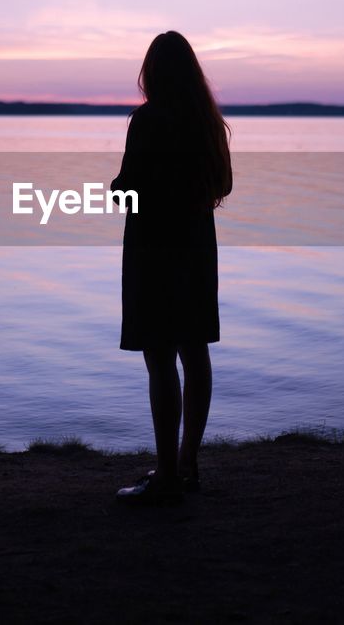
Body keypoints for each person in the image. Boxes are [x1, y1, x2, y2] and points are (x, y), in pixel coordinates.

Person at [110, 31, 232, 506]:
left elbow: (129, 189)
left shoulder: (147, 120)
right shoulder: (207, 123)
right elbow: (223, 184)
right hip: (197, 246)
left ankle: (165, 476)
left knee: (160, 356)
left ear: (152, 72)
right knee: (194, 351)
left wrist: (118, 186)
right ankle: (188, 464)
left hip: (153, 247)